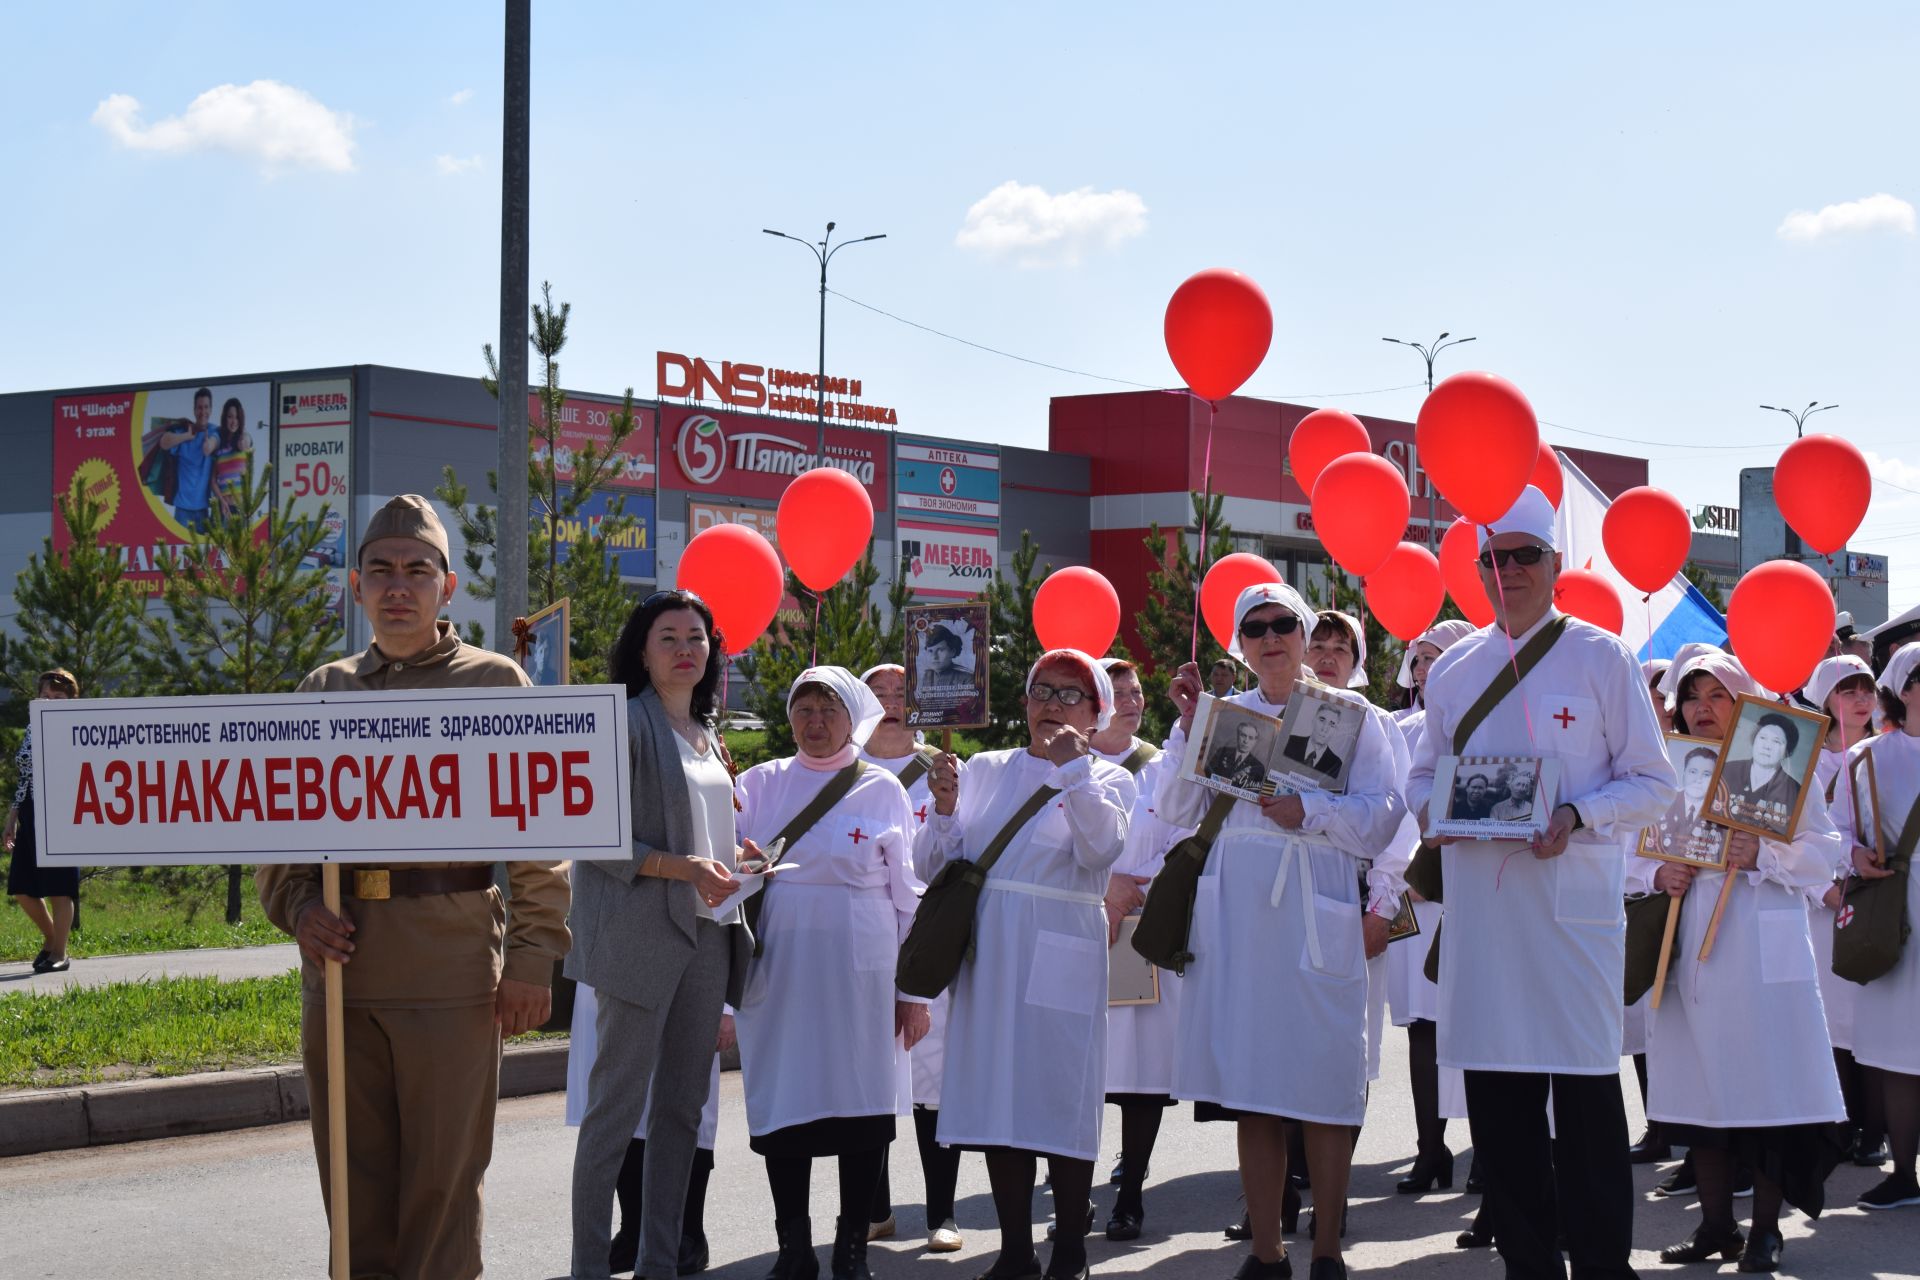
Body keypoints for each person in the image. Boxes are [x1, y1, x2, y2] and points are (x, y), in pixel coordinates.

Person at [257, 495, 571, 1280]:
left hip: (451, 967)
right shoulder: (322, 690)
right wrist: (297, 911)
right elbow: (279, 836)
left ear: (448, 586)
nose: (399, 587)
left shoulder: (495, 683)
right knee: (354, 1191)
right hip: (342, 974)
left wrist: (533, 959)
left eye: (416, 571)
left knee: (441, 1185)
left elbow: (540, 836)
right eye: (381, 571)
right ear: (355, 587)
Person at [1406, 486, 1676, 1280]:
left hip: (1573, 918)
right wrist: (1441, 813)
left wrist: (1578, 815)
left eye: (1525, 554)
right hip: (1487, 926)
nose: (1509, 569)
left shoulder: (1602, 656)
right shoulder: (1454, 671)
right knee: (1500, 1107)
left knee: (1588, 1102)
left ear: (1556, 564)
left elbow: (1655, 783)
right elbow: (1421, 780)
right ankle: (1527, 1264)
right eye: (1495, 557)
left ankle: (1601, 1266)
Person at [1163, 582, 1407, 1280]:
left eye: (1283, 625)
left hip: (1317, 902)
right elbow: (1177, 808)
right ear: (1240, 644)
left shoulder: (1349, 715)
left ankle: (1327, 1248)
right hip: (1240, 918)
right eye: (1254, 628)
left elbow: (1386, 814)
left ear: (1305, 636)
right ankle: (1266, 1252)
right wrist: (1187, 729)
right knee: (1256, 1087)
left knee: (1325, 1085)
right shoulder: (1224, 716)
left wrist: (1312, 812)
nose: (1270, 639)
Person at [919, 649, 1135, 1280]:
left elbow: (1101, 849)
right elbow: (932, 866)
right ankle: (1015, 1252)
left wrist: (1073, 769)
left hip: (1063, 942)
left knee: (1061, 1097)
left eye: (1071, 696)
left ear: (1097, 714)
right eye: (1043, 691)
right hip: (991, 952)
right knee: (998, 1097)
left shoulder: (1109, 777)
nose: (1053, 705)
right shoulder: (985, 768)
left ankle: (1070, 1245)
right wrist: (946, 809)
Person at [568, 589, 758, 1280]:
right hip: (638, 937)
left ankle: (659, 1264)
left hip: (708, 935)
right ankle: (589, 1266)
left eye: (697, 638)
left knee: (683, 1109)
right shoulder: (623, 725)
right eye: (669, 636)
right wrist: (683, 867)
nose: (685, 649)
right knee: (614, 1114)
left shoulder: (708, 733)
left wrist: (740, 858)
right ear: (643, 653)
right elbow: (592, 835)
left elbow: (702, 833)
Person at [1640, 649, 1847, 1272]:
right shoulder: (1667, 770)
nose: (1704, 709)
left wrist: (1765, 856)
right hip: (1692, 947)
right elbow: (1633, 847)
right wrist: (1659, 872)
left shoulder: (1784, 773)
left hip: (1761, 946)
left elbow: (1825, 851)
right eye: (1694, 696)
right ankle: (1714, 1226)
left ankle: (1763, 1231)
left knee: (1766, 1091)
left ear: (1744, 704)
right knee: (1702, 1093)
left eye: (1719, 695)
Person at [733, 666, 929, 1280]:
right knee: (784, 1100)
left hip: (862, 973)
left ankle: (851, 1247)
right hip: (779, 965)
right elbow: (719, 882)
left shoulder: (881, 789)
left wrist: (912, 993)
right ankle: (794, 1246)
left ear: (853, 718)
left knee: (861, 1104)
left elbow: (909, 898)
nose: (815, 723)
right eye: (804, 710)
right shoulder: (757, 785)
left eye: (829, 711)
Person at [855, 663, 961, 1252]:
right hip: (865, 943)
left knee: (931, 1078)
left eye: (905, 692)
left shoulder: (945, 770)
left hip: (929, 943)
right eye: (880, 693)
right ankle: (874, 1208)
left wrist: (948, 803)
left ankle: (942, 1212)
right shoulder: (841, 772)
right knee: (871, 1077)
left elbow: (960, 854)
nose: (893, 702)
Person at [1092, 657, 1186, 1242]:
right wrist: (1104, 888)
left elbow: (1184, 837)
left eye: (1137, 692)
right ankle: (1076, 1192)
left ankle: (1130, 1196)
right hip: (1081, 926)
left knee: (1141, 1069)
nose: (1132, 701)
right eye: (1118, 692)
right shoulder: (1065, 766)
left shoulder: (1160, 767)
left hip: (1142, 929)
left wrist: (1132, 890)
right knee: (1082, 1065)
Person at [1384, 622, 1475, 1205]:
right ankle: (1429, 1148)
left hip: (1465, 887)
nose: (1424, 669)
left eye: (1437, 658)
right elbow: (1388, 806)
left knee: (1474, 1018)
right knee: (1422, 1022)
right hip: (1410, 893)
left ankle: (1488, 1152)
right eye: (1418, 659)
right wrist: (1400, 874)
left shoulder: (1479, 726)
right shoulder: (1396, 728)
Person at [1836, 641, 1920, 1211]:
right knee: (1897, 1048)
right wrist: (1854, 856)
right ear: (1904, 689)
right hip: (1895, 911)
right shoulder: (1864, 757)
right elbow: (1833, 830)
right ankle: (1903, 1170)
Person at [564, 988, 729, 1276]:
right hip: (614, 960)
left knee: (681, 1103)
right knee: (616, 1105)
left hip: (691, 962)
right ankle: (633, 1232)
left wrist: (726, 1007)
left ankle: (687, 1233)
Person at [1805, 655, 1887, 1168]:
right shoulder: (1809, 760)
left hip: (1876, 903)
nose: (1860, 699)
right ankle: (1841, 1123)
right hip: (1825, 907)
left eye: (1867, 689)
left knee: (1875, 1022)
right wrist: (1828, 892)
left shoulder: (1887, 755)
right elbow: (1803, 833)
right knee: (1833, 1022)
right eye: (1847, 689)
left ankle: (1875, 1128)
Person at [6, 667, 82, 973]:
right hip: (31, 811)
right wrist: (12, 815)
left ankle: (59, 955)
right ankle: (52, 937)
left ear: (71, 700)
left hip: (62, 811)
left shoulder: (76, 730)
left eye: (58, 696)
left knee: (59, 888)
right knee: (22, 888)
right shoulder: (31, 729)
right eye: (44, 695)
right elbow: (24, 777)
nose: (49, 701)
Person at [1719, 713, 1805, 833]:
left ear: (1787, 752)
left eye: (1776, 742)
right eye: (1762, 738)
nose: (1767, 746)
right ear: (1754, 740)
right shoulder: (1726, 770)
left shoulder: (1796, 791)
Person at [155, 386, 218, 532]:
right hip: (182, 511)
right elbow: (163, 442)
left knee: (202, 555)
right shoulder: (184, 431)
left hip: (203, 510)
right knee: (180, 555)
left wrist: (210, 444)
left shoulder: (215, 431)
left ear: (211, 409)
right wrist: (187, 437)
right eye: (199, 407)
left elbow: (238, 436)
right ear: (194, 410)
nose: (203, 412)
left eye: (206, 407)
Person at [211, 396, 253, 517]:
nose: (233, 421)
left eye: (237, 417)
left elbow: (246, 443)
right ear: (225, 418)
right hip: (223, 507)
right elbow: (213, 480)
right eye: (230, 417)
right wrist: (222, 501)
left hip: (241, 507)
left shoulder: (243, 439)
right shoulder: (220, 445)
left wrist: (244, 439)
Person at [1282, 704, 1348, 777]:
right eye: (1322, 720)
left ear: (1335, 730)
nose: (1325, 729)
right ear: (1313, 720)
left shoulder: (1336, 764)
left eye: (1332, 724)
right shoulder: (1289, 741)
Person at [1207, 721, 1269, 791]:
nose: (1246, 741)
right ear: (1237, 735)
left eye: (1250, 738)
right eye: (1243, 735)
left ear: (1255, 741)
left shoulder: (1258, 767)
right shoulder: (1222, 752)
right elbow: (1207, 775)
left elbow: (1254, 793)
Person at [918, 626, 972, 693]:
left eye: (940, 650)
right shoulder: (927, 675)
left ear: (952, 652)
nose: (934, 656)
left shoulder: (967, 678)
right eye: (930, 651)